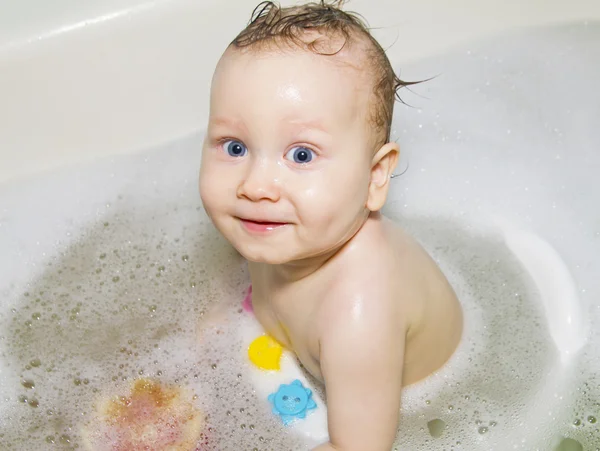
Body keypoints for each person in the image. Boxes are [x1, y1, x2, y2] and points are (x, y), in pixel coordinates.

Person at [199, 2, 463, 449]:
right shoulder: (280, 227)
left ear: (375, 177)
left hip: (425, 406)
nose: (255, 185)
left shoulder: (359, 317)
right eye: (236, 147)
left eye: (301, 155)